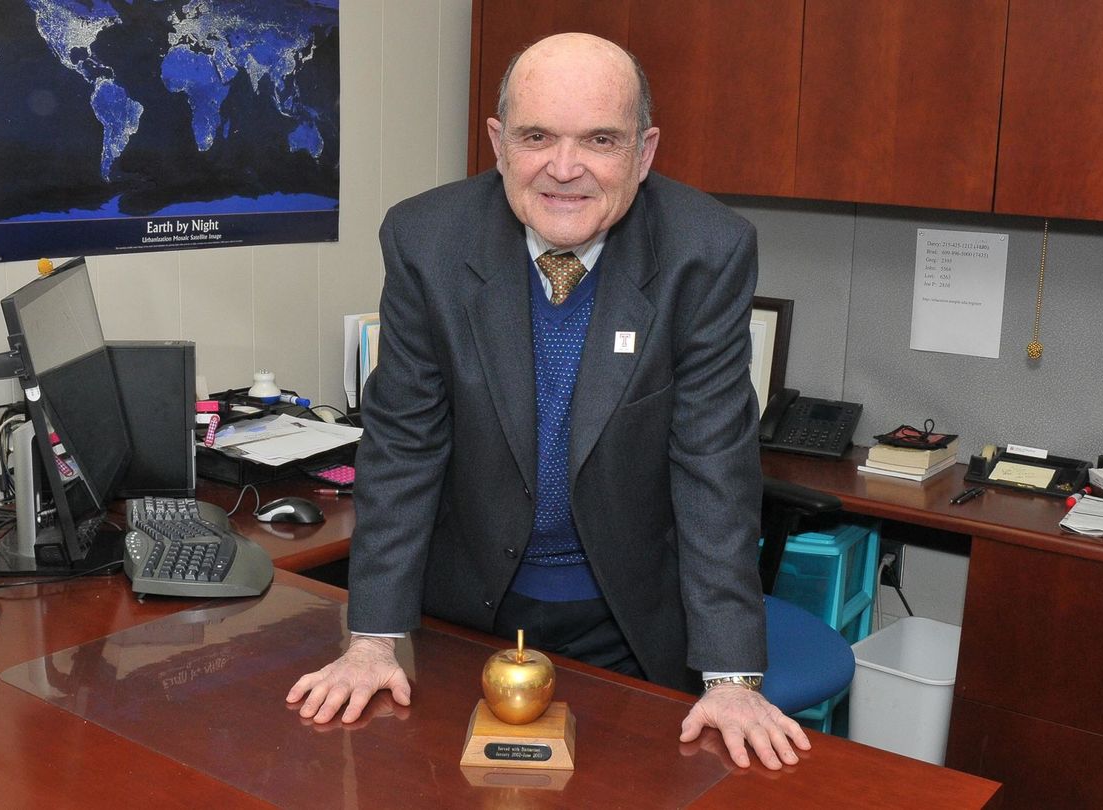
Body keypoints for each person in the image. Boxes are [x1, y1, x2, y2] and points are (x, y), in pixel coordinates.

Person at [286, 32, 808, 770]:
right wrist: (371, 639)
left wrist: (730, 677)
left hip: (626, 618)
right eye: (537, 137)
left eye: (600, 139)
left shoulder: (706, 251)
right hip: (463, 613)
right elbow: (404, 447)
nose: (565, 170)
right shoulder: (426, 241)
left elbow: (713, 468)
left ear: (645, 152)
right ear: (499, 144)